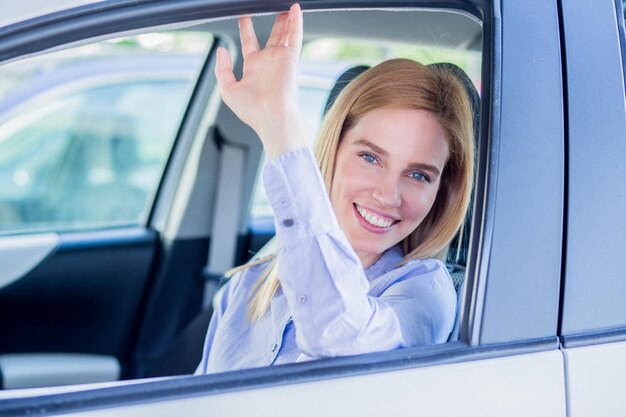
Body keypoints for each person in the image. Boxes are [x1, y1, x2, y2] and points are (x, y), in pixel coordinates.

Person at [196, 3, 474, 374]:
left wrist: (280, 126)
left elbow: (338, 337)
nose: (388, 196)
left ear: (443, 189)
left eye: (419, 175)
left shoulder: (424, 295)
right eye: (371, 158)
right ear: (334, 148)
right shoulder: (248, 284)